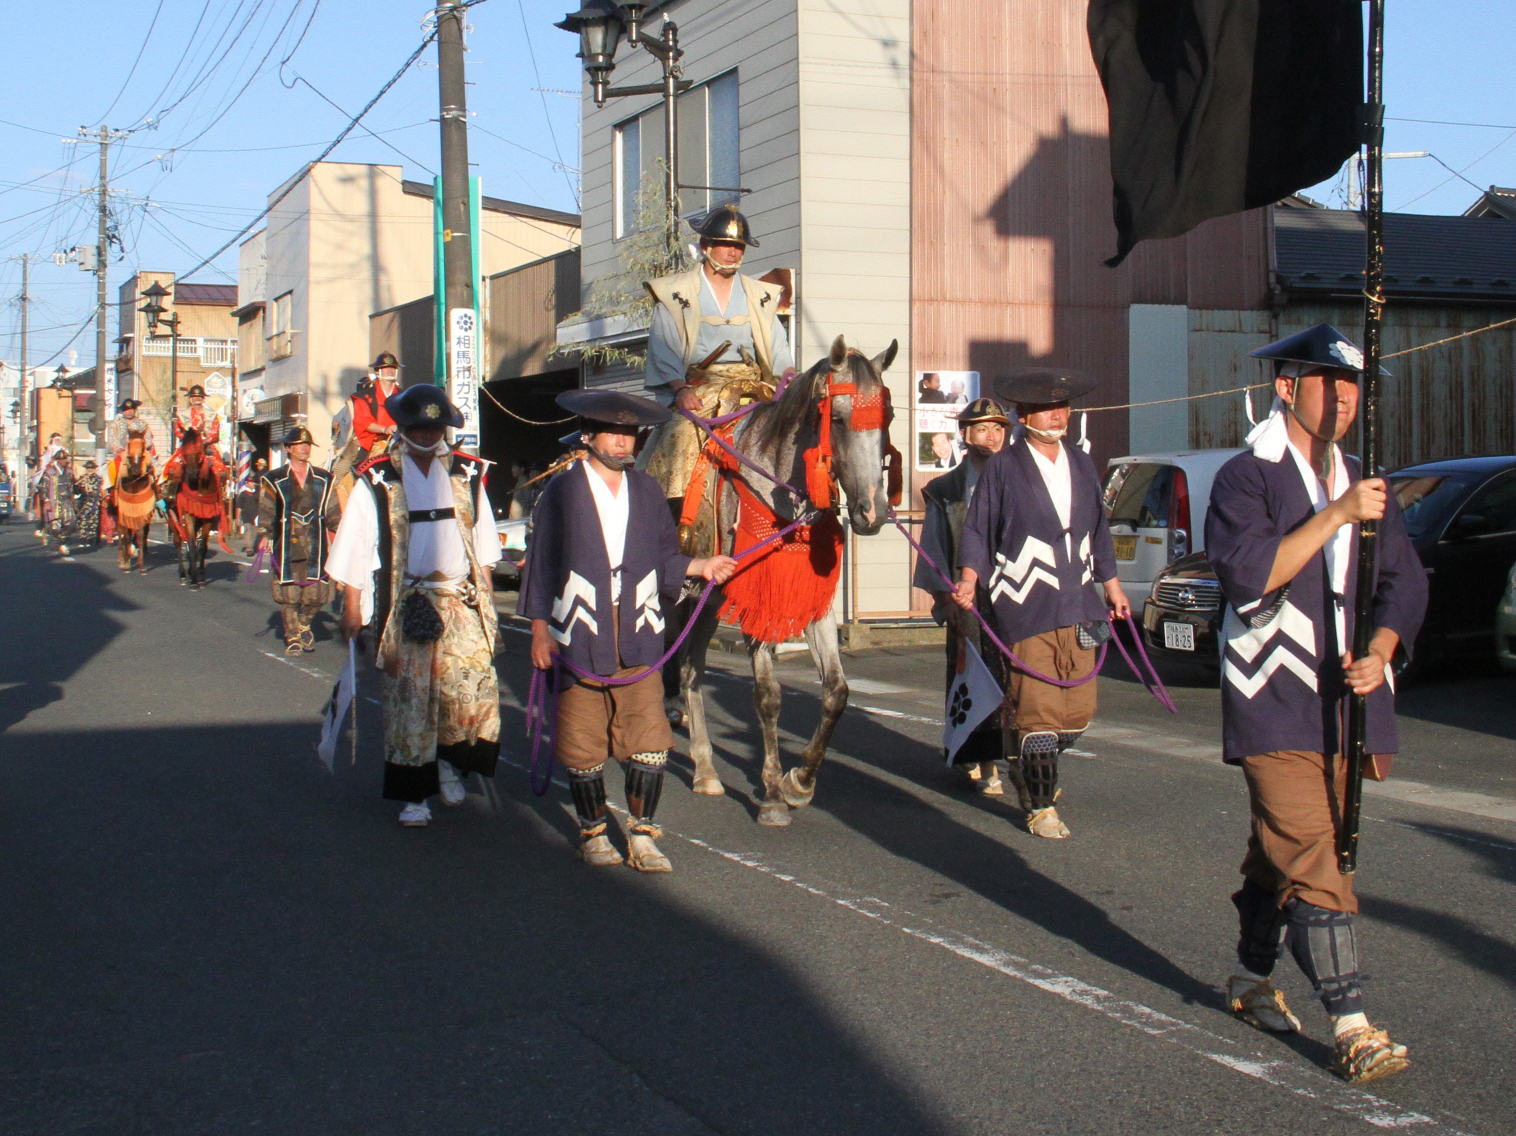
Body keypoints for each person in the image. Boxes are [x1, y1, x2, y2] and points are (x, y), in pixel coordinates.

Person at [1205, 324, 1426, 1084]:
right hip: (1272, 694)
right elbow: (1251, 573)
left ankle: (1248, 975)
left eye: (1354, 385)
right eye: (1325, 382)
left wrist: (1383, 649)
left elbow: (1405, 579)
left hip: (1347, 701)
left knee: (1286, 851)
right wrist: (1334, 516)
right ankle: (1353, 1023)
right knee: (1319, 855)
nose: (1342, 398)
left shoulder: (1366, 480)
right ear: (1286, 389)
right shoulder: (1246, 477)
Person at [522, 390, 737, 872]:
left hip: (639, 626)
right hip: (578, 627)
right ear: (589, 436)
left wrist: (702, 565)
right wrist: (539, 631)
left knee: (650, 738)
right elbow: (541, 565)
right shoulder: (562, 489)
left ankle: (642, 836)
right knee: (582, 741)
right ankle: (593, 833)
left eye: (629, 435)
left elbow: (664, 559)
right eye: (612, 434)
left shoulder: (648, 490)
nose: (622, 444)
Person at [954, 369, 1131, 839]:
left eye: (1064, 407)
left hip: (1082, 601)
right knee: (1038, 708)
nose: (1058, 415)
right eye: (1048, 408)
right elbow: (978, 527)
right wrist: (969, 578)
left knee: (1077, 711)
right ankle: (1039, 803)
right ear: (1024, 415)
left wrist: (1112, 587)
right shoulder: (1004, 467)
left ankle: (1030, 762)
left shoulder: (1080, 462)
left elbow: (1098, 531)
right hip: (1024, 602)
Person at [327, 384, 502, 827]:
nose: (426, 435)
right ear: (403, 429)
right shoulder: (378, 476)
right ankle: (414, 796)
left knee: (469, 690)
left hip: (460, 600)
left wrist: (488, 605)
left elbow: (482, 547)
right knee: (410, 701)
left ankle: (449, 763)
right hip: (406, 601)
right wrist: (352, 608)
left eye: (434, 427)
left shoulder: (468, 472)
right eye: (418, 427)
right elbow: (356, 544)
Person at [639, 205, 794, 515]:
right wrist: (679, 389)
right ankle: (669, 513)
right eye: (725, 244)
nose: (732, 253)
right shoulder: (675, 292)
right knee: (679, 437)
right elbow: (664, 344)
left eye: (738, 246)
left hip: (753, 386)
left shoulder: (759, 294)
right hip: (698, 388)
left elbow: (776, 343)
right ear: (706, 246)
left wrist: (787, 373)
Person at [914, 398, 1011, 795]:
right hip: (966, 598)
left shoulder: (1019, 479)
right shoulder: (945, 489)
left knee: (1014, 677)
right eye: (982, 429)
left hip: (1014, 595)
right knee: (975, 676)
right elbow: (933, 550)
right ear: (965, 436)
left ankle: (1015, 758)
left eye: (999, 429)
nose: (992, 437)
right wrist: (944, 600)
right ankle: (981, 759)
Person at [257, 429, 338, 655]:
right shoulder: (273, 479)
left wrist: (339, 531)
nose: (304, 448)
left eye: (307, 444)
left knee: (317, 594)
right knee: (290, 595)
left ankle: (305, 623)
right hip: (287, 540)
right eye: (299, 444)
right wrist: (265, 533)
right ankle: (292, 636)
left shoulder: (324, 478)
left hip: (316, 541)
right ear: (288, 448)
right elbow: (267, 509)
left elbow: (333, 511)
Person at [330, 352, 403, 490]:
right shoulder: (363, 397)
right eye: (385, 368)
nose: (390, 371)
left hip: (399, 443)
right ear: (377, 371)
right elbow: (363, 422)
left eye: (393, 368)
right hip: (367, 445)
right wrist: (385, 429)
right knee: (338, 476)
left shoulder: (404, 395)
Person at [173, 385, 222, 450]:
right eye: (194, 397)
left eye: (199, 397)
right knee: (175, 459)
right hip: (187, 444)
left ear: (203, 399)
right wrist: (188, 439)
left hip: (207, 446)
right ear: (190, 399)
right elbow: (177, 430)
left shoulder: (211, 415)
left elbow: (215, 431)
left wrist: (206, 441)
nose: (197, 399)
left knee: (215, 459)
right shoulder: (182, 415)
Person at [239, 457, 267, 553]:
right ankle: (249, 548)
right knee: (248, 530)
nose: (253, 484)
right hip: (246, 515)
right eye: (250, 482)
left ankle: (253, 546)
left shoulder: (257, 491)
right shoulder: (243, 494)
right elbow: (239, 506)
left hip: (255, 514)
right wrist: (238, 517)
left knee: (254, 531)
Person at [75, 459, 103, 551]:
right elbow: (77, 490)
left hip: (95, 502)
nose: (89, 470)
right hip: (85, 502)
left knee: (93, 522)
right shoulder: (82, 478)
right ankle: (82, 540)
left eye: (91, 468)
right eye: (88, 468)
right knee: (82, 520)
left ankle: (91, 540)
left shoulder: (98, 479)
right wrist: (77, 487)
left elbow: (101, 490)